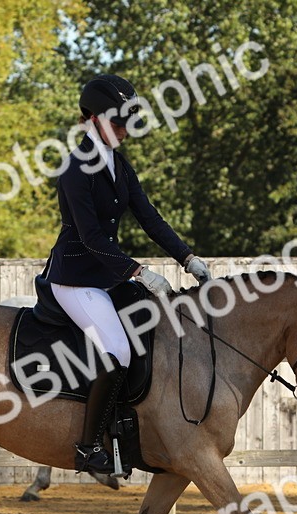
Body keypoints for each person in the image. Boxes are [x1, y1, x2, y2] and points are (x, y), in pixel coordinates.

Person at [43, 74, 210, 474]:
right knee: (116, 350)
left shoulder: (119, 165)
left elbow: (149, 217)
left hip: (106, 276)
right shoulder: (75, 168)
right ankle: (87, 447)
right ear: (94, 119)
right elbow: (91, 236)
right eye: (119, 122)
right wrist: (137, 271)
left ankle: (128, 432)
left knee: (154, 320)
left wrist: (187, 257)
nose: (125, 131)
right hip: (75, 278)